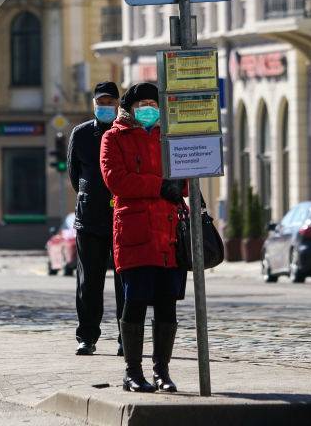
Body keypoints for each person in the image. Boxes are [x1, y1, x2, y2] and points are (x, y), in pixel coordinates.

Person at [100, 82, 187, 393]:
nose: (149, 108)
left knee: (167, 304)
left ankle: (162, 371)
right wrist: (159, 186)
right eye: (142, 104)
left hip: (168, 234)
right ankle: (132, 372)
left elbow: (184, 177)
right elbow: (116, 179)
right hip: (135, 233)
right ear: (130, 107)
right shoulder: (114, 136)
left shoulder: (167, 136)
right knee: (135, 301)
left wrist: (182, 185)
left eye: (153, 102)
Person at [67, 81, 125, 356]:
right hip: (89, 220)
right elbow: (74, 174)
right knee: (88, 282)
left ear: (118, 104)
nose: (105, 107)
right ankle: (87, 337)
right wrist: (89, 195)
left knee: (125, 282)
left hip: (122, 218)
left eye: (110, 102)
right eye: (100, 103)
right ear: (94, 105)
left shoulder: (125, 133)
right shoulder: (80, 134)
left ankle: (127, 337)